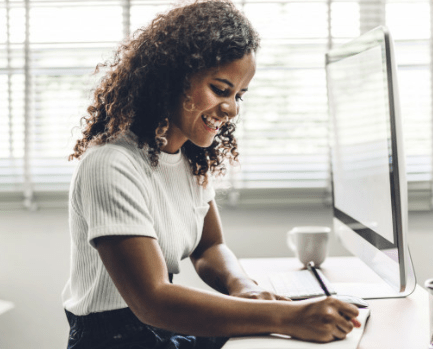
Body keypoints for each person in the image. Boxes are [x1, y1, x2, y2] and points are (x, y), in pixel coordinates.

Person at [62, 1, 361, 348]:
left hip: (163, 328)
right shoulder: (111, 164)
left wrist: (244, 288)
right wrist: (291, 317)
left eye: (238, 95)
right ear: (172, 79)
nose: (231, 109)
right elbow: (152, 301)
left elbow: (209, 247)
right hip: (116, 338)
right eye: (220, 90)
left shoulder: (189, 158)